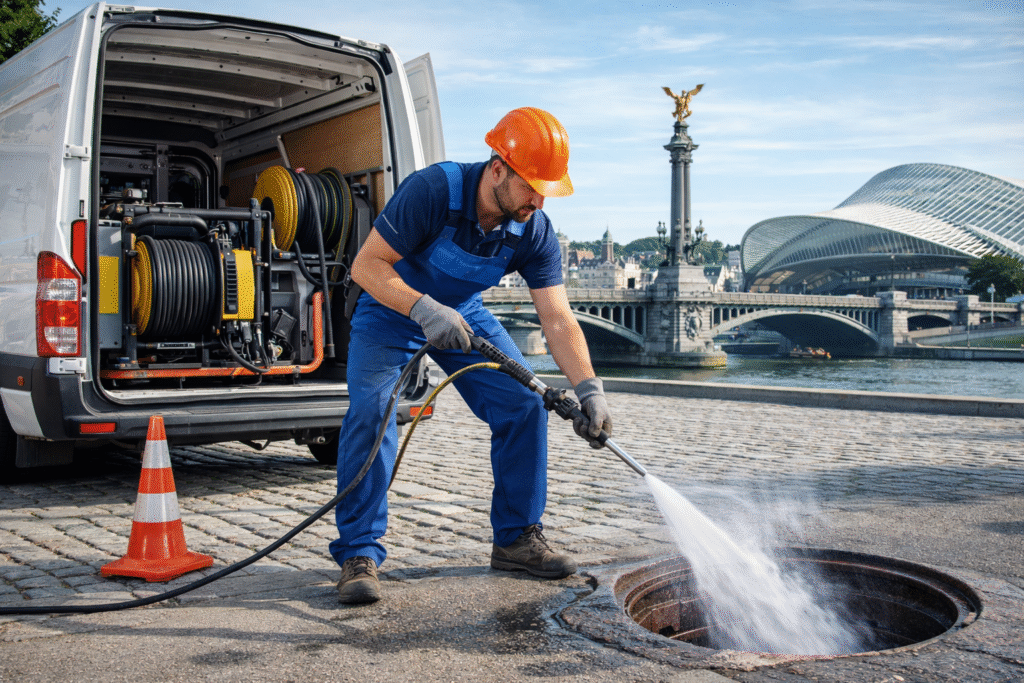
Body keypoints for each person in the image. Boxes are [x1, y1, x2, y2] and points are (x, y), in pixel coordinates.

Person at [329, 107, 613, 604]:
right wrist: (421, 308)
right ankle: (359, 553)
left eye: (547, 189)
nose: (539, 200)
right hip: (392, 308)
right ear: (498, 168)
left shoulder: (533, 229)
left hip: (464, 314)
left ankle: (516, 538)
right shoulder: (434, 190)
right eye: (531, 185)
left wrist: (590, 389)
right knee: (373, 412)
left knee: (523, 405)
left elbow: (557, 318)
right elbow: (366, 266)